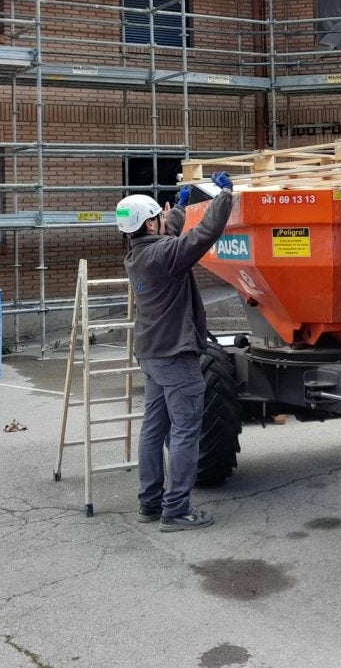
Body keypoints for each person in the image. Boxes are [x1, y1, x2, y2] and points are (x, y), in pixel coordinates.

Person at [114, 171, 235, 532]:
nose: (162, 223)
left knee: (153, 430)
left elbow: (170, 239)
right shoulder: (165, 255)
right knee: (185, 431)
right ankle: (176, 510)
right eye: (158, 219)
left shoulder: (137, 255)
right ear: (150, 224)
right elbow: (202, 237)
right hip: (175, 357)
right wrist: (222, 197)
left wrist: (179, 209)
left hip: (151, 355)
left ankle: (150, 504)